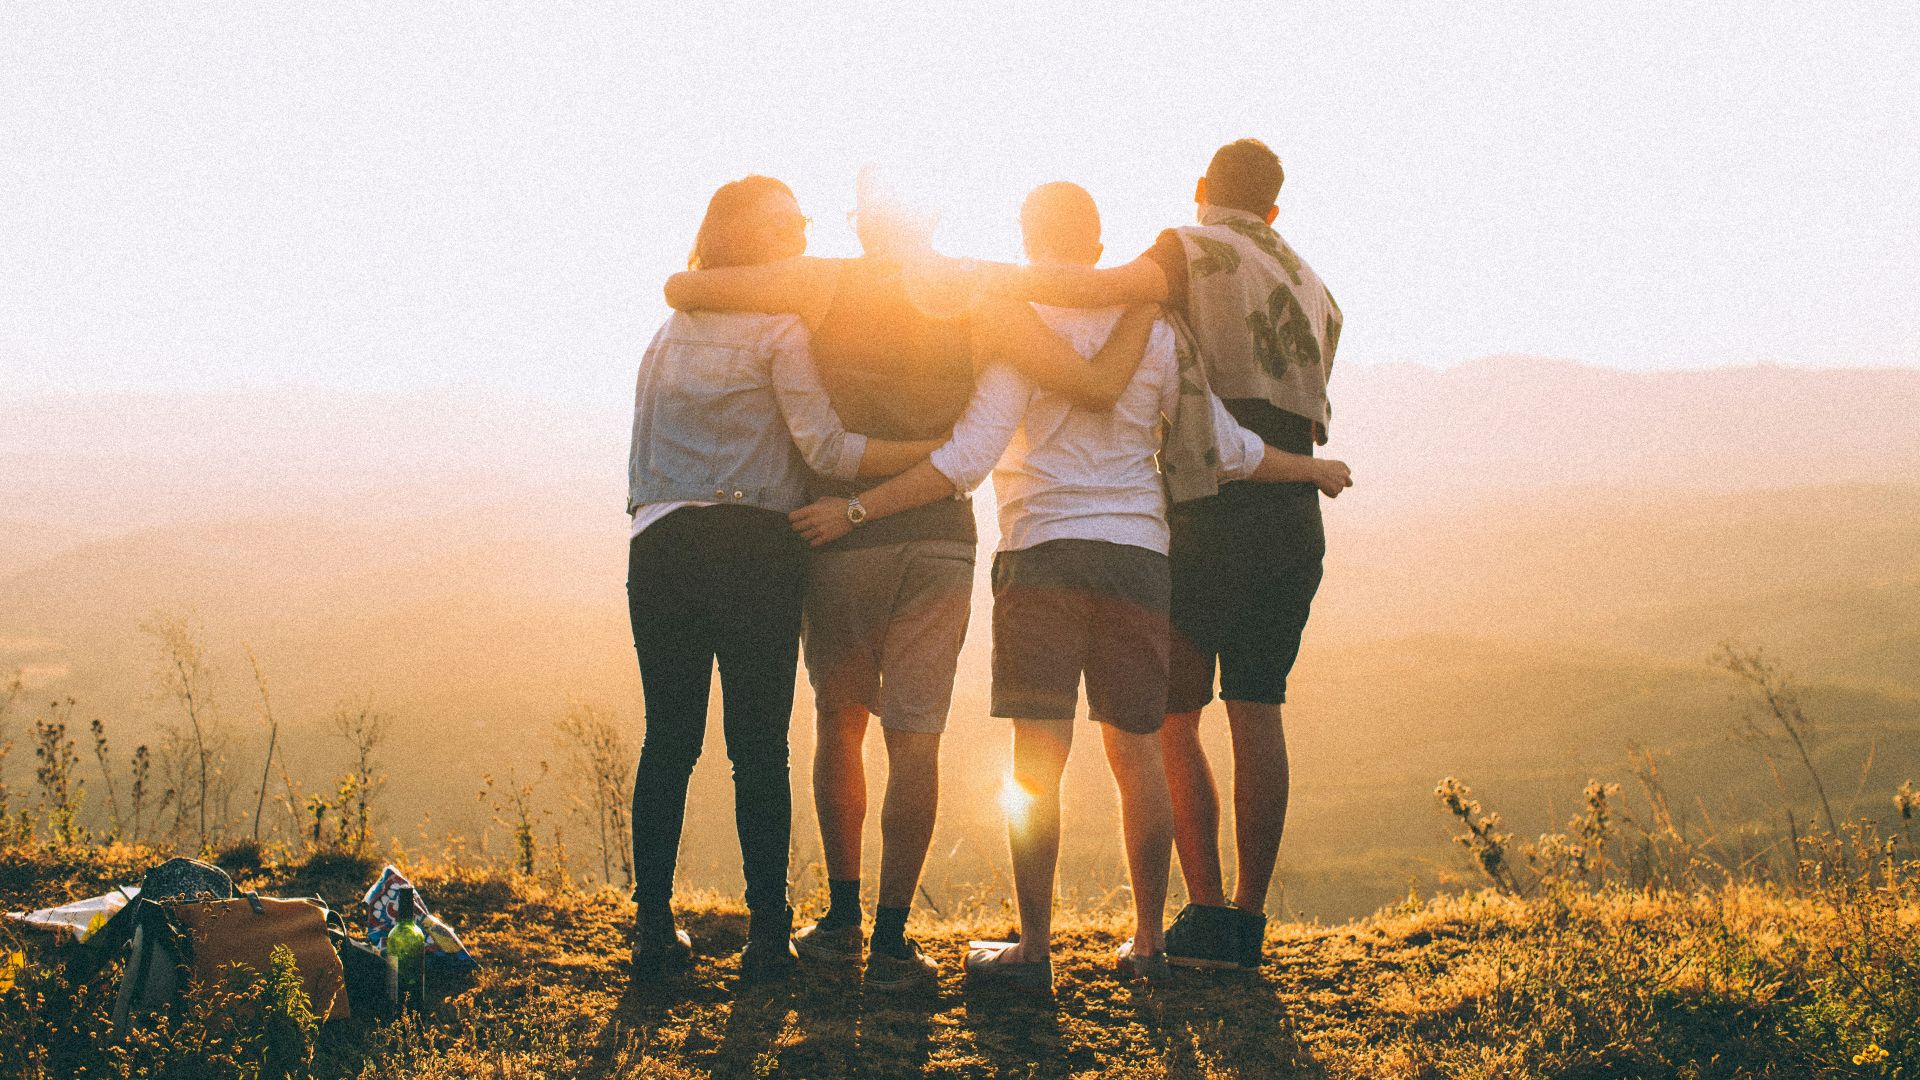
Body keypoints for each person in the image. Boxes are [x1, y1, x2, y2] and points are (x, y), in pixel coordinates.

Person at [789, 181, 1350, 992]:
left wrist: (857, 507)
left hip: (1042, 554)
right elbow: (1226, 447)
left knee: (1036, 764)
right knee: (1138, 756)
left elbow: (968, 458)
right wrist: (1314, 469)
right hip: (1139, 560)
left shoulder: (1018, 326)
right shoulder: (1157, 331)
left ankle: (1035, 950)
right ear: (1097, 247)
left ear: (1027, 239)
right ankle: (1151, 944)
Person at [663, 169, 1154, 991]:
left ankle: (842, 916)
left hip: (838, 532)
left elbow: (689, 286)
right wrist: (1146, 298)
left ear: (862, 225)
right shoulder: (979, 290)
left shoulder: (822, 283)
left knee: (839, 720)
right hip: (938, 540)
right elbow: (1083, 373)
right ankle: (893, 939)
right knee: (915, 737)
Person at [990, 140, 1345, 970]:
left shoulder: (1187, 249)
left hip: (1209, 504)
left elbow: (1099, 289)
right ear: (1276, 208)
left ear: (1200, 190)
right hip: (1290, 508)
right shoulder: (1317, 286)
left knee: (1170, 720)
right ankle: (1244, 925)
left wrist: (976, 281)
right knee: (1259, 708)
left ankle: (1201, 912)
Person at [625, 175, 948, 984]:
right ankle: (769, 936)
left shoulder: (667, 334)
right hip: (755, 549)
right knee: (757, 748)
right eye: (792, 224)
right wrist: (932, 455)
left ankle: (653, 929)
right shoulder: (779, 331)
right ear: (758, 241)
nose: (804, 234)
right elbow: (830, 453)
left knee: (669, 739)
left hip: (660, 544)